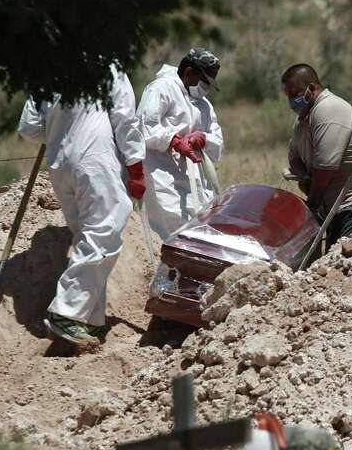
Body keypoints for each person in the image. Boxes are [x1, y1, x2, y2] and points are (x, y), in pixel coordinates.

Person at [18, 64, 146, 345]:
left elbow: (29, 129)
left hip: (59, 163)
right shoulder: (107, 64)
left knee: (87, 236)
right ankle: (67, 312)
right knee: (104, 234)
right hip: (94, 158)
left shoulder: (44, 72)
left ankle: (91, 320)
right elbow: (125, 117)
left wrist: (59, 127)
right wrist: (136, 165)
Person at [136, 47, 225, 241]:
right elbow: (144, 127)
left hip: (196, 179)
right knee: (173, 227)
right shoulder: (161, 88)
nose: (205, 88)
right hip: (163, 176)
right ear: (189, 73)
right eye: (204, 81)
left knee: (199, 224)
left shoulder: (204, 104)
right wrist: (174, 141)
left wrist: (204, 139)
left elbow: (218, 143)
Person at [281, 63, 352, 248]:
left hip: (351, 204)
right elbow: (294, 158)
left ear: (311, 88)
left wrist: (312, 202)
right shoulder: (303, 120)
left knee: (344, 262)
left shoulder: (328, 109)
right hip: (331, 208)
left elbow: (325, 169)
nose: (291, 103)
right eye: (288, 96)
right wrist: (304, 176)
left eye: (295, 95)